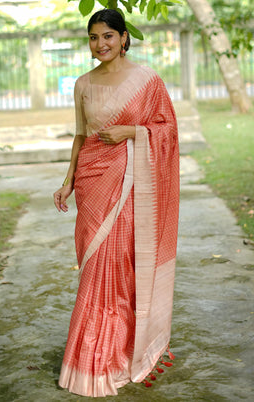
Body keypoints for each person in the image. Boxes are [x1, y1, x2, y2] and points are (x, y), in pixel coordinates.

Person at [53, 8, 179, 397]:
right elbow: (80, 136)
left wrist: (134, 131)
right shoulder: (83, 84)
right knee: (94, 266)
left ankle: (120, 350)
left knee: (122, 264)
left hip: (130, 184)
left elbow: (167, 129)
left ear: (124, 38)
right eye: (93, 37)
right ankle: (89, 356)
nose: (100, 44)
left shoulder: (147, 80)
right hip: (93, 183)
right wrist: (67, 180)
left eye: (108, 35)